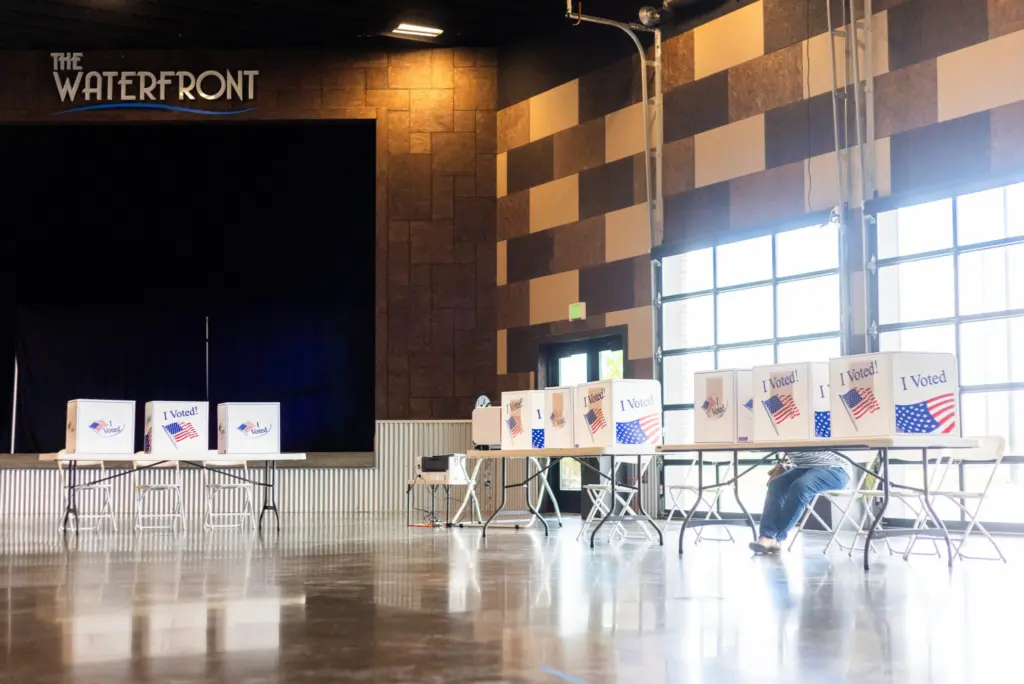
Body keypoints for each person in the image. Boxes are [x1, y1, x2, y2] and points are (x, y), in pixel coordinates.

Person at [750, 451, 849, 554]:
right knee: (776, 485)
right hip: (803, 468)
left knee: (801, 487)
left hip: (834, 468)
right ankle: (766, 536)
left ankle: (774, 538)